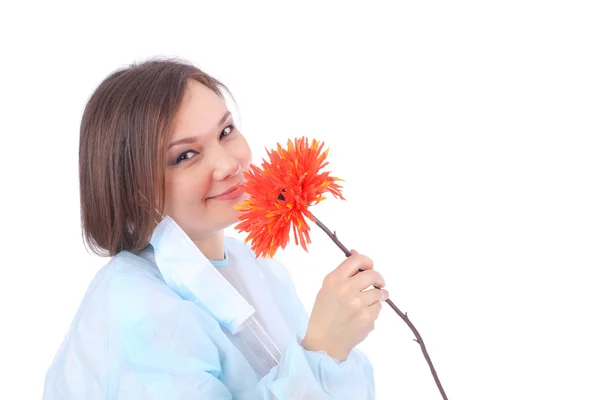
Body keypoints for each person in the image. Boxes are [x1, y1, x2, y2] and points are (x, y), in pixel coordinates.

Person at [42, 58, 388, 399]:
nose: (227, 164)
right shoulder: (137, 307)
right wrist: (323, 350)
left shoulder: (257, 268)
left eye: (226, 131)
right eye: (185, 155)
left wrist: (331, 348)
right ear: (134, 188)